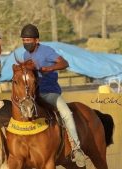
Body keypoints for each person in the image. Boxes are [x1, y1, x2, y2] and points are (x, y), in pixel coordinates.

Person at [20, 23, 86, 167]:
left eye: (28, 40)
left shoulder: (47, 51)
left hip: (49, 93)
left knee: (67, 113)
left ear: (36, 40)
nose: (26, 43)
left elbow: (64, 63)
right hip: (33, 96)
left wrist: (49, 68)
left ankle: (76, 148)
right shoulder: (25, 54)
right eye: (24, 40)